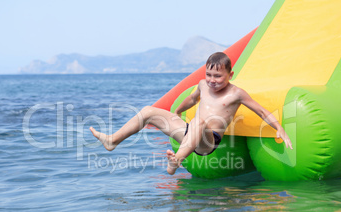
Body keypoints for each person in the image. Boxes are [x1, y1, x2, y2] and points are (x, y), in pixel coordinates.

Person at [90, 52, 293, 175]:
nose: (212, 80)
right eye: (209, 74)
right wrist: (178, 110)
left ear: (230, 75)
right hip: (190, 132)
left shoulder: (236, 93)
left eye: (218, 76)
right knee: (148, 111)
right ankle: (112, 140)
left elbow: (261, 111)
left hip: (208, 141)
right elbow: (192, 99)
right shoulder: (203, 85)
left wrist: (280, 129)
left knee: (200, 121)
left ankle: (176, 160)